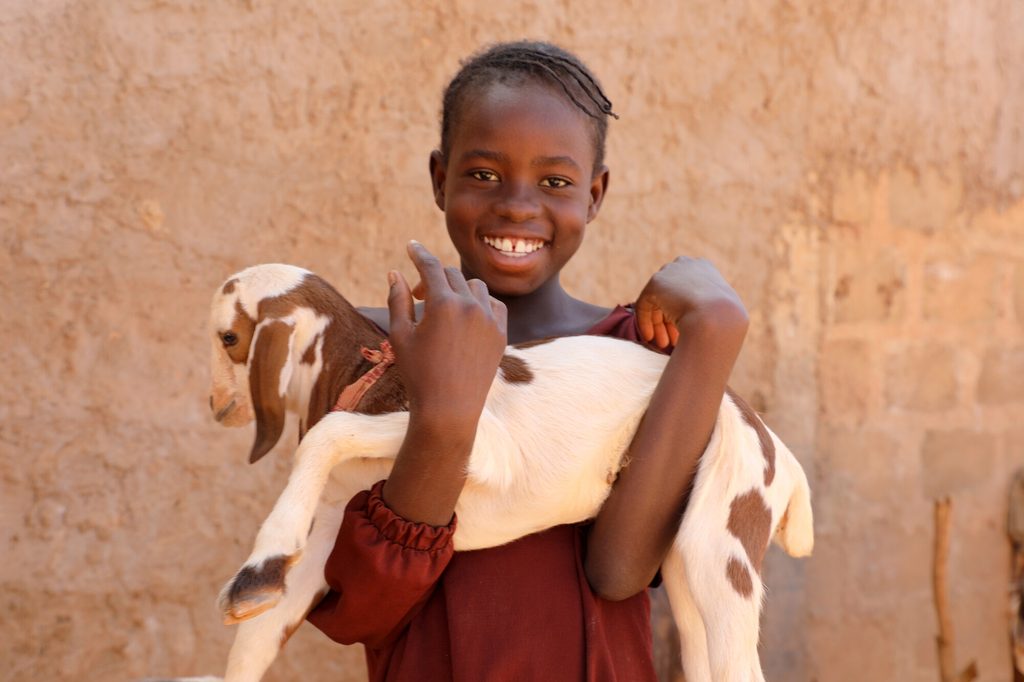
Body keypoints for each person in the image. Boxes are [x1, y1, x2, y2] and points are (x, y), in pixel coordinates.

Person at [307, 40, 749, 681]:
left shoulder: (635, 355)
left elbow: (621, 569)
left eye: (555, 182)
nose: (517, 204)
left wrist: (717, 331)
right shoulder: (372, 352)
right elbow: (359, 611)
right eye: (484, 174)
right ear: (439, 178)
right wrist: (445, 412)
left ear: (594, 195)